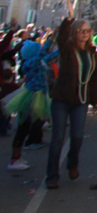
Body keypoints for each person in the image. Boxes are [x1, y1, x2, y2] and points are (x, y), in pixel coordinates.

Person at [45, 17, 97, 189]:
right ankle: (52, 177)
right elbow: (61, 38)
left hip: (81, 101)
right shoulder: (68, 49)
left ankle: (72, 164)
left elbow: (92, 79)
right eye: (81, 31)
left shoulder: (92, 52)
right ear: (75, 32)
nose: (84, 34)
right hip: (61, 99)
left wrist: (94, 101)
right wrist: (68, 20)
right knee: (57, 139)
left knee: (77, 137)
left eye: (87, 31)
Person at [2, 36, 53, 170]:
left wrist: (63, 46)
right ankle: (14, 159)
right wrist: (50, 40)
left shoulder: (38, 62)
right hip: (31, 96)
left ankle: (17, 158)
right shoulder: (29, 63)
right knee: (22, 128)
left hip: (37, 95)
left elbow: (50, 56)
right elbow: (42, 54)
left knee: (25, 127)